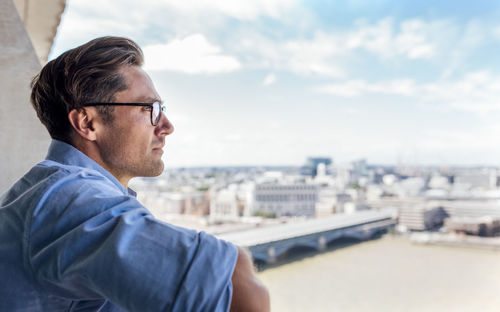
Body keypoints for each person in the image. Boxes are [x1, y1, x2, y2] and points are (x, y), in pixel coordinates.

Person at [0, 36, 270, 311]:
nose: (166, 125)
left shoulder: (44, 192)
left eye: (161, 109)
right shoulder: (69, 198)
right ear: (87, 123)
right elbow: (233, 281)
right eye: (148, 108)